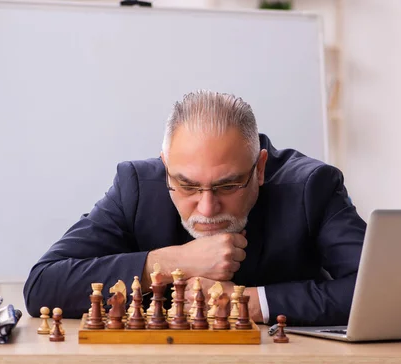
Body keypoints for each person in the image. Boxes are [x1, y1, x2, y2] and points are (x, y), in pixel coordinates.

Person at [23, 90, 366, 326]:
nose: (207, 207)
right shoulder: (137, 186)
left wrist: (252, 301)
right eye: (187, 185)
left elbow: (375, 288)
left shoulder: (312, 187)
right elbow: (43, 285)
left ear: (260, 168)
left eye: (228, 185)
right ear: (165, 166)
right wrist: (172, 262)